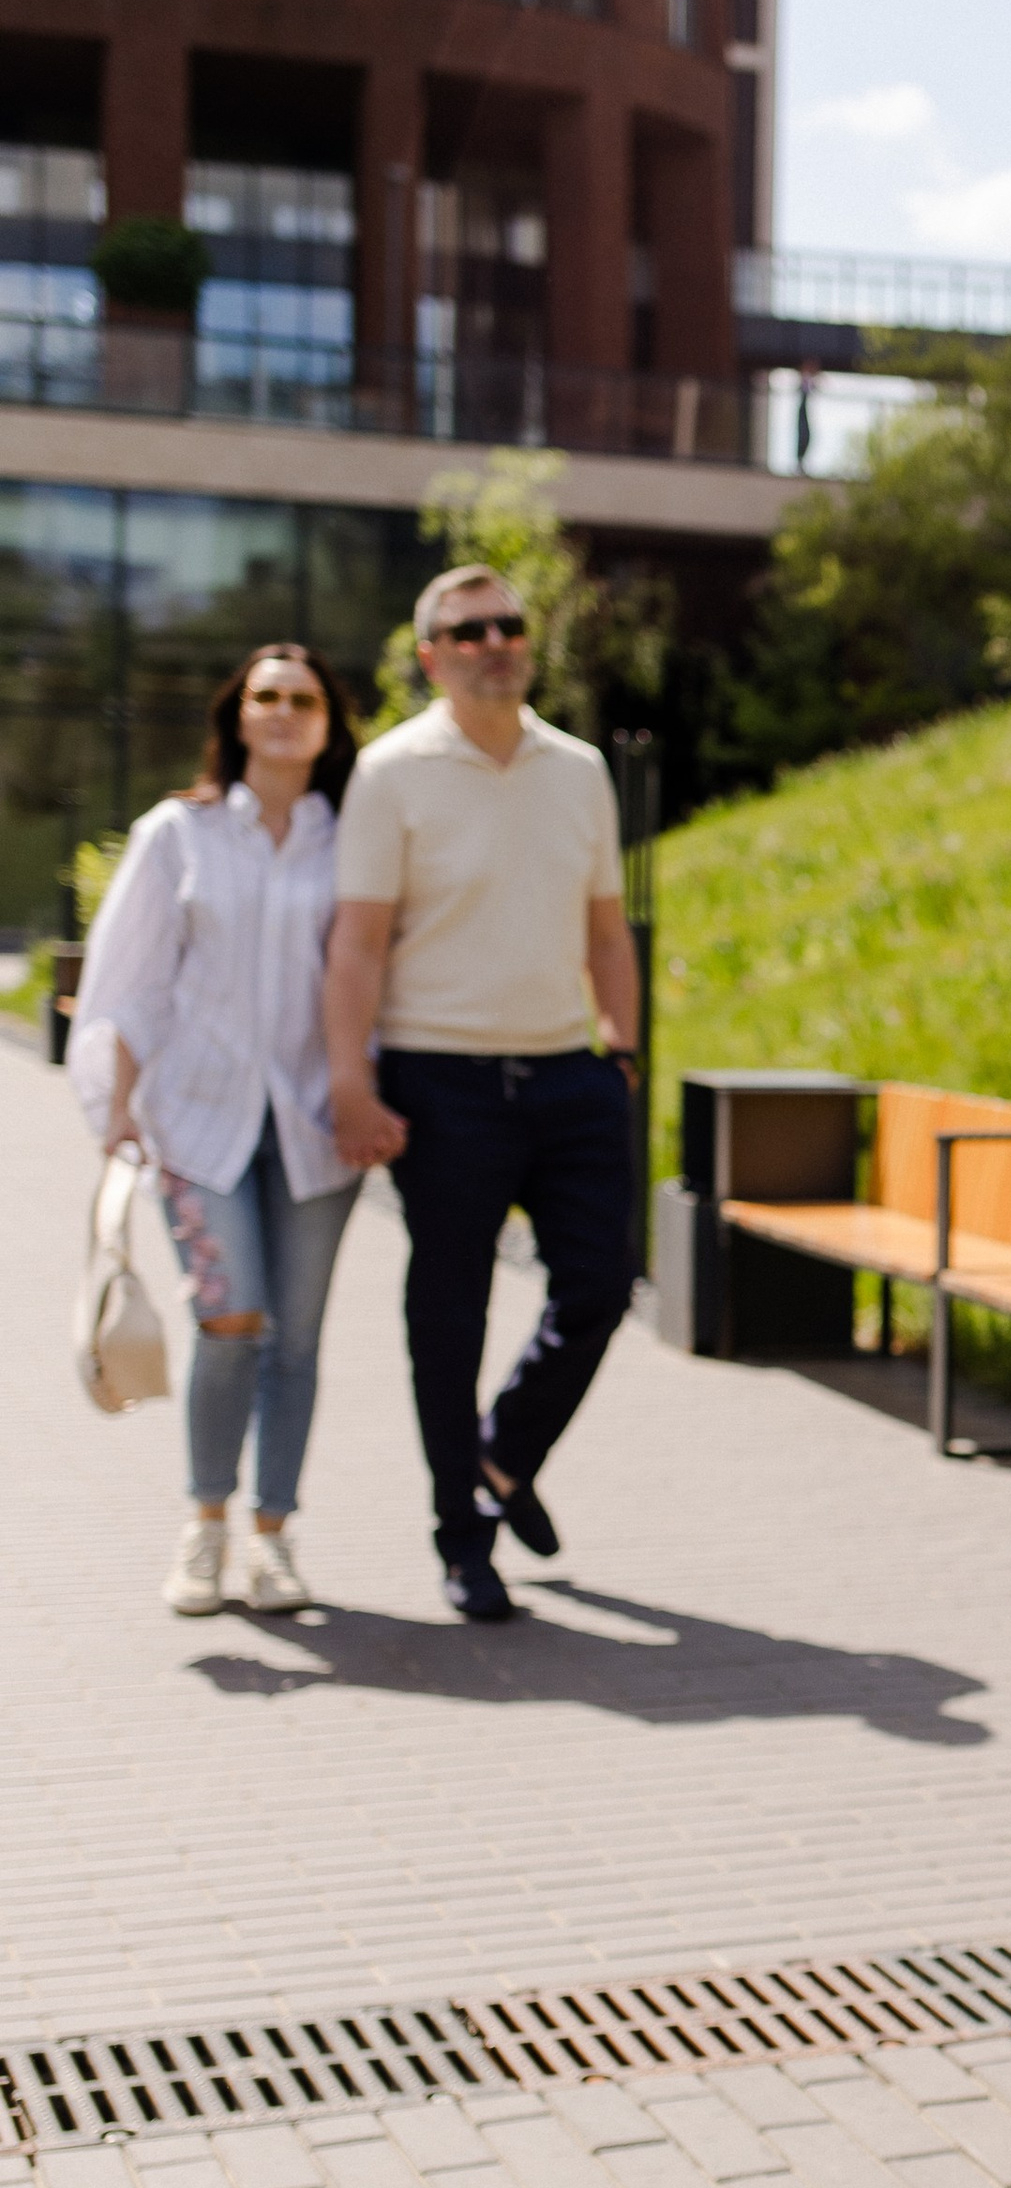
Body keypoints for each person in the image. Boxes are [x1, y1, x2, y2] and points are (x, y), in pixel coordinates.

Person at [324, 564, 640, 1624]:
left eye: (508, 625)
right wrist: (350, 1079)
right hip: (440, 1081)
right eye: (468, 632)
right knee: (448, 1313)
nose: (494, 642)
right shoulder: (391, 772)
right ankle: (462, 1540)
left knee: (600, 1283)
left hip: (569, 1074)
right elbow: (357, 944)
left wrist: (622, 1052)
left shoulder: (580, 768)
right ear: (431, 656)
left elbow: (607, 926)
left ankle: (504, 1454)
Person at [71, 643, 365, 1615]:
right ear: (237, 716)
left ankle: (272, 1536)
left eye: (304, 699)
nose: (284, 712)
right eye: (266, 696)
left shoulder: (354, 835)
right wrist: (114, 1108)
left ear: (329, 721)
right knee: (230, 1319)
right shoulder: (176, 833)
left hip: (315, 1125)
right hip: (198, 1125)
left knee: (298, 1338)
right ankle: (204, 1525)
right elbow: (129, 980)